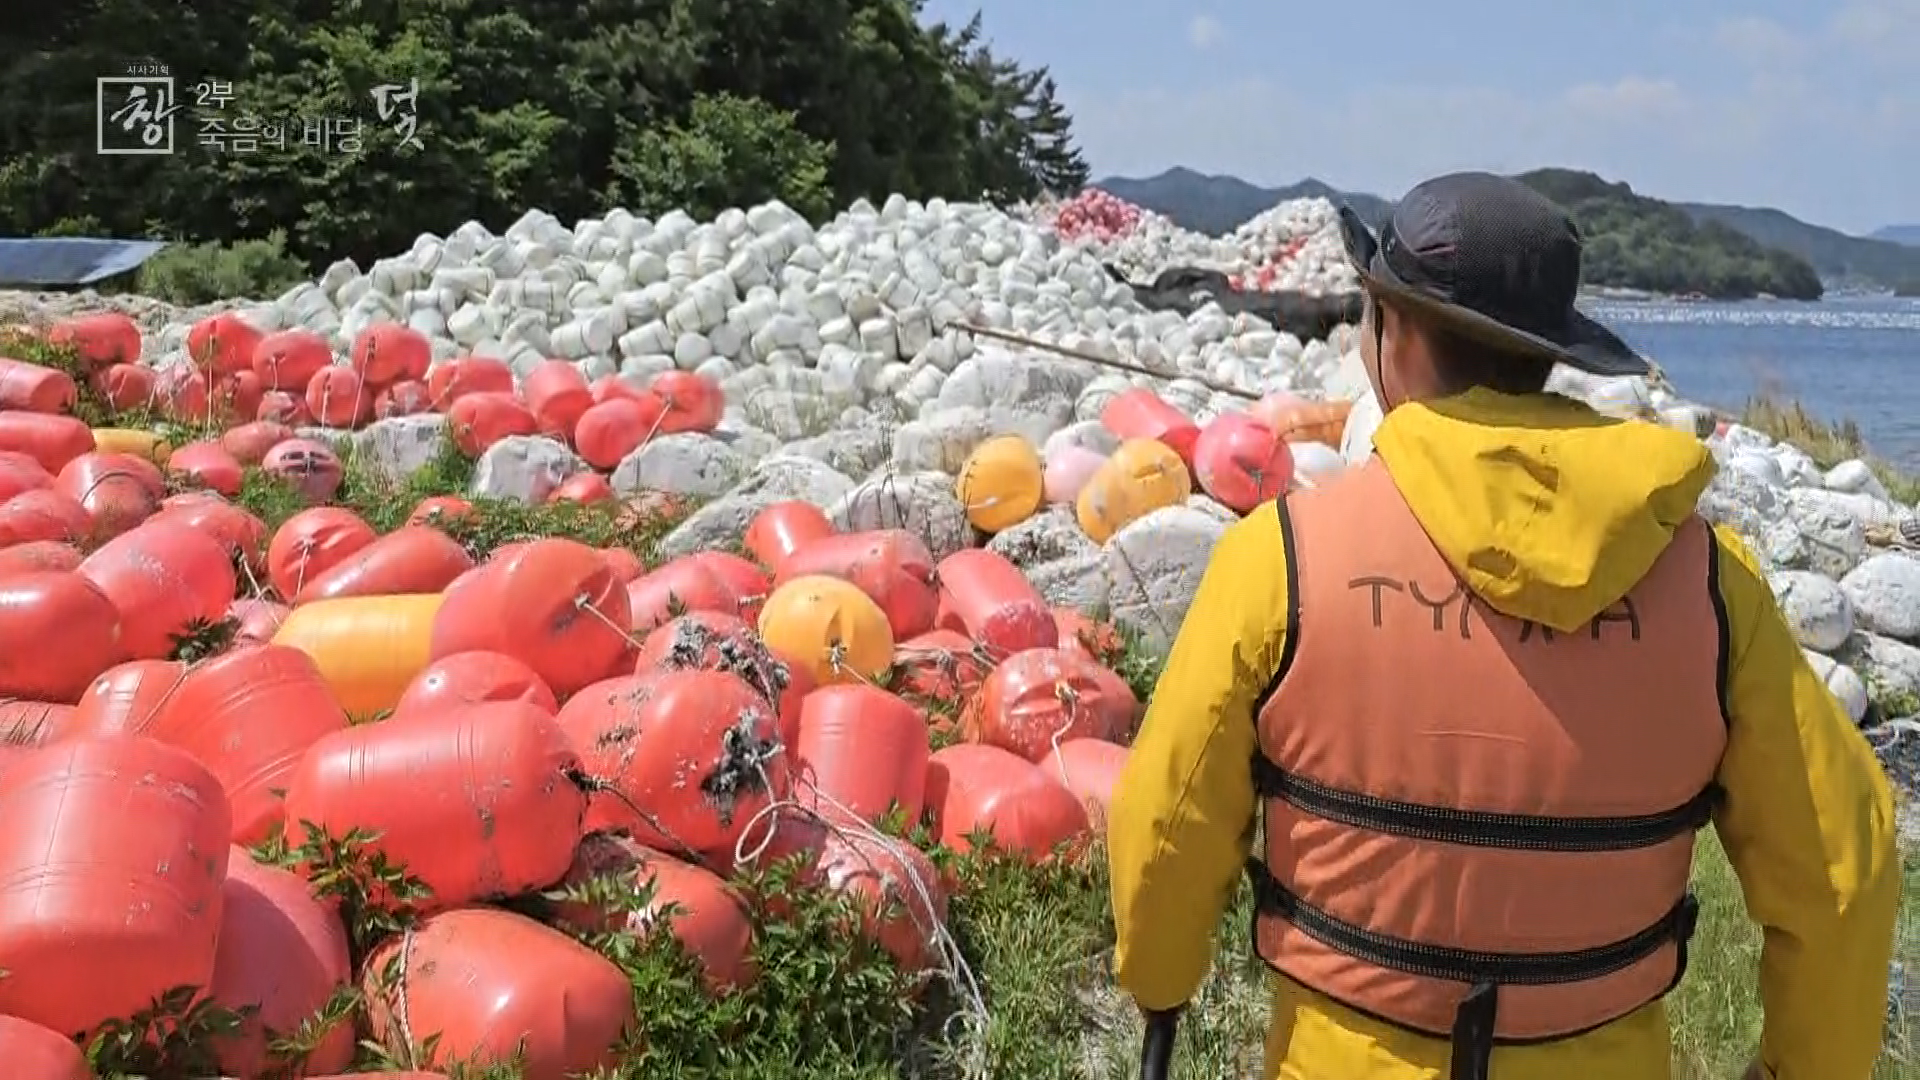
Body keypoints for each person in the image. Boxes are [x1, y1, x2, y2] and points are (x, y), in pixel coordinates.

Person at [1106, 171, 1902, 1080]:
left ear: (1394, 336)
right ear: (1546, 354)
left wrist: (1159, 980)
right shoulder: (1716, 589)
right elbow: (1847, 871)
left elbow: (1161, 830)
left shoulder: (1280, 562)